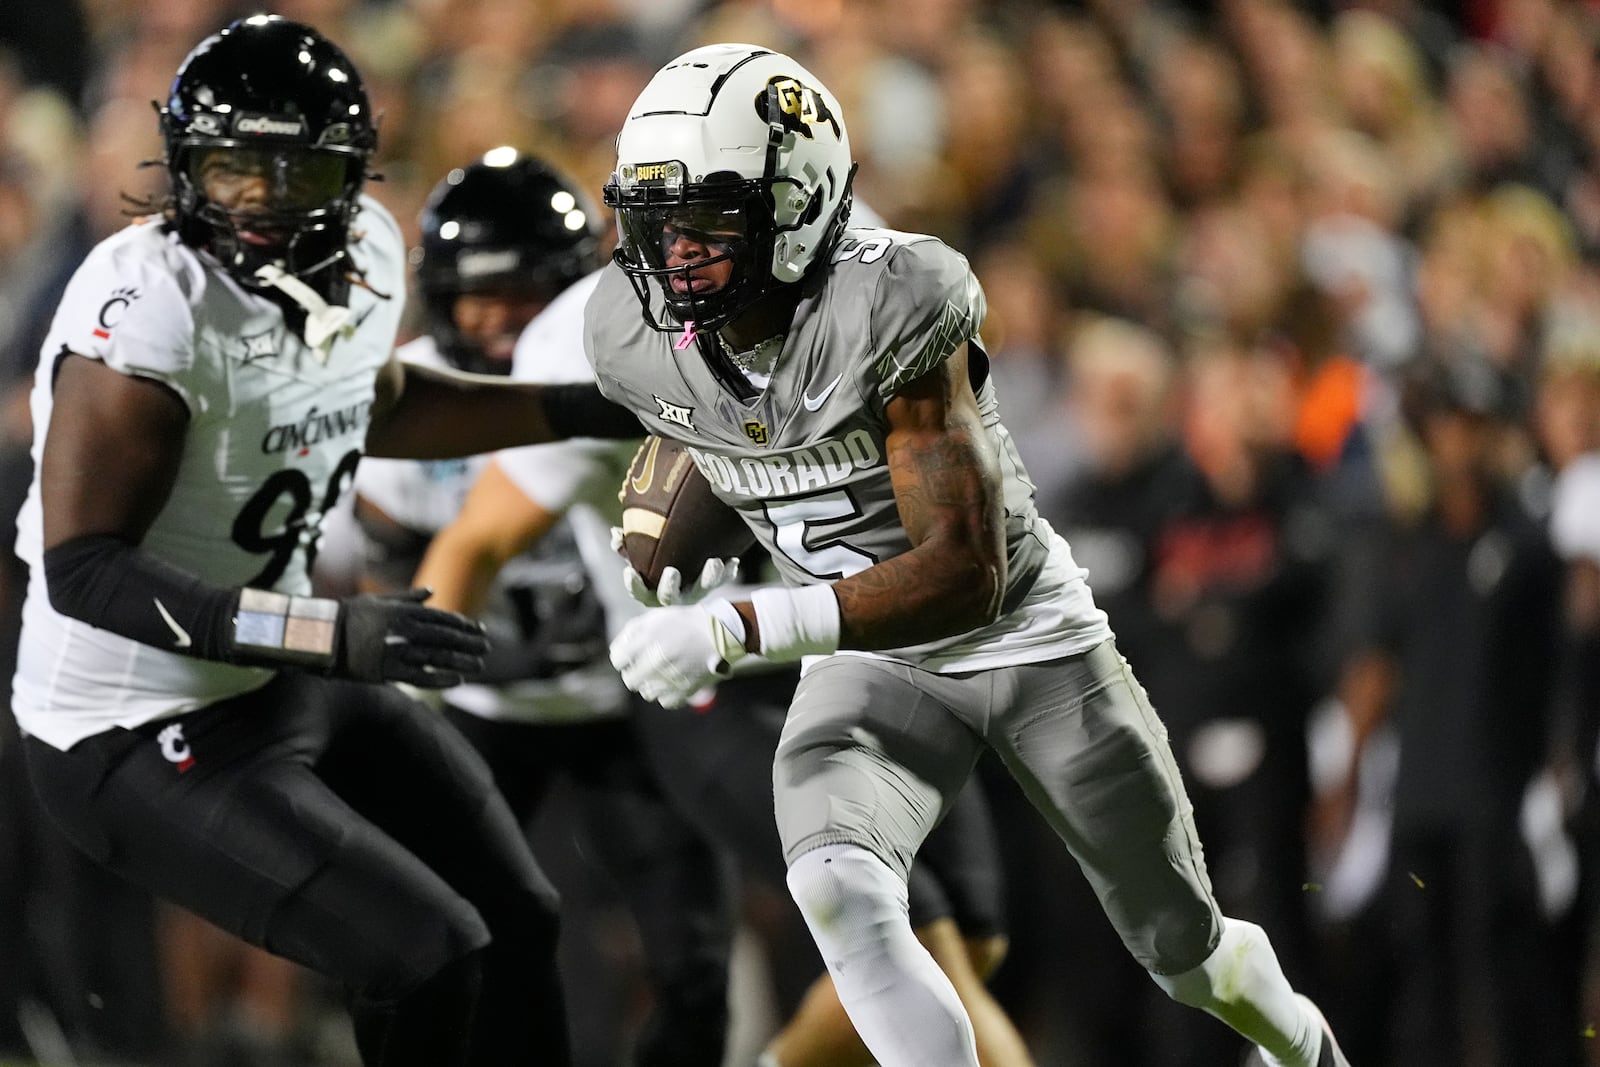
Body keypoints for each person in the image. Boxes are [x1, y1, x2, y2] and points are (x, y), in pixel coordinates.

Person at [591, 43, 1353, 1067]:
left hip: (1022, 642)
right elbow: (723, 430)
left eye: (710, 220)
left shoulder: (895, 297)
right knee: (836, 889)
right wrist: (687, 526)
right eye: (656, 223)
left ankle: (1300, 1040)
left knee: (1183, 949)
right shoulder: (630, 332)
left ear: (800, 201)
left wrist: (737, 624)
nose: (676, 254)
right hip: (868, 664)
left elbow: (963, 571)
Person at [8, 16, 634, 1067]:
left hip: (270, 671)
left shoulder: (371, 251)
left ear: (345, 174)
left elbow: (373, 399)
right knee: (424, 952)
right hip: (129, 720)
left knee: (518, 910)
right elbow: (83, 570)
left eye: (287, 174)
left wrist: (578, 406)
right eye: (227, 169)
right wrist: (330, 632)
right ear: (182, 164)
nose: (254, 206)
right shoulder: (148, 312)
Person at [406, 160, 1034, 1067]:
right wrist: (414, 731)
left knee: (971, 940)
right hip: (720, 681)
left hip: (866, 651)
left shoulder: (865, 285)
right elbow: (474, 540)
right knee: (914, 949)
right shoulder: (590, 342)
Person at [351, 150, 734, 1067]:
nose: (512, 319)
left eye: (537, 293)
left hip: (624, 702)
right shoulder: (407, 412)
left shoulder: (639, 370)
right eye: (489, 294)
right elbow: (396, 580)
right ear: (440, 294)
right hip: (483, 709)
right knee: (445, 929)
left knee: (696, 960)